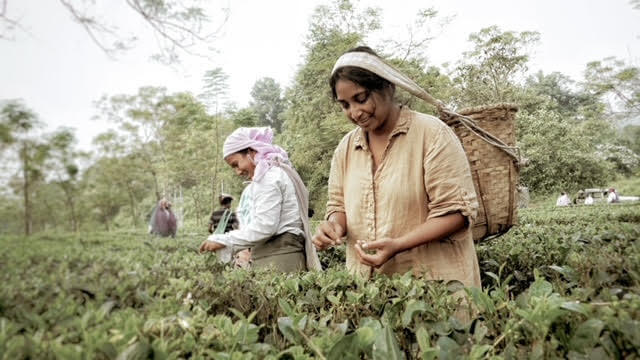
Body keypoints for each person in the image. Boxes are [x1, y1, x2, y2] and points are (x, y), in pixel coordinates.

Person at [312, 46, 481, 291]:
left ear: (387, 87)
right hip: (371, 292)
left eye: (361, 99)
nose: (355, 112)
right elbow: (338, 206)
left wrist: (398, 245)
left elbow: (456, 212)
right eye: (345, 105)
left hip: (436, 288)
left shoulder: (432, 134)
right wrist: (334, 227)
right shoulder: (346, 148)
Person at [199, 127, 322, 272]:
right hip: (274, 256)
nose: (237, 172)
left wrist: (222, 240)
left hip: (279, 258)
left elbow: (265, 226)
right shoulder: (273, 173)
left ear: (251, 152)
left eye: (236, 164)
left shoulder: (268, 177)